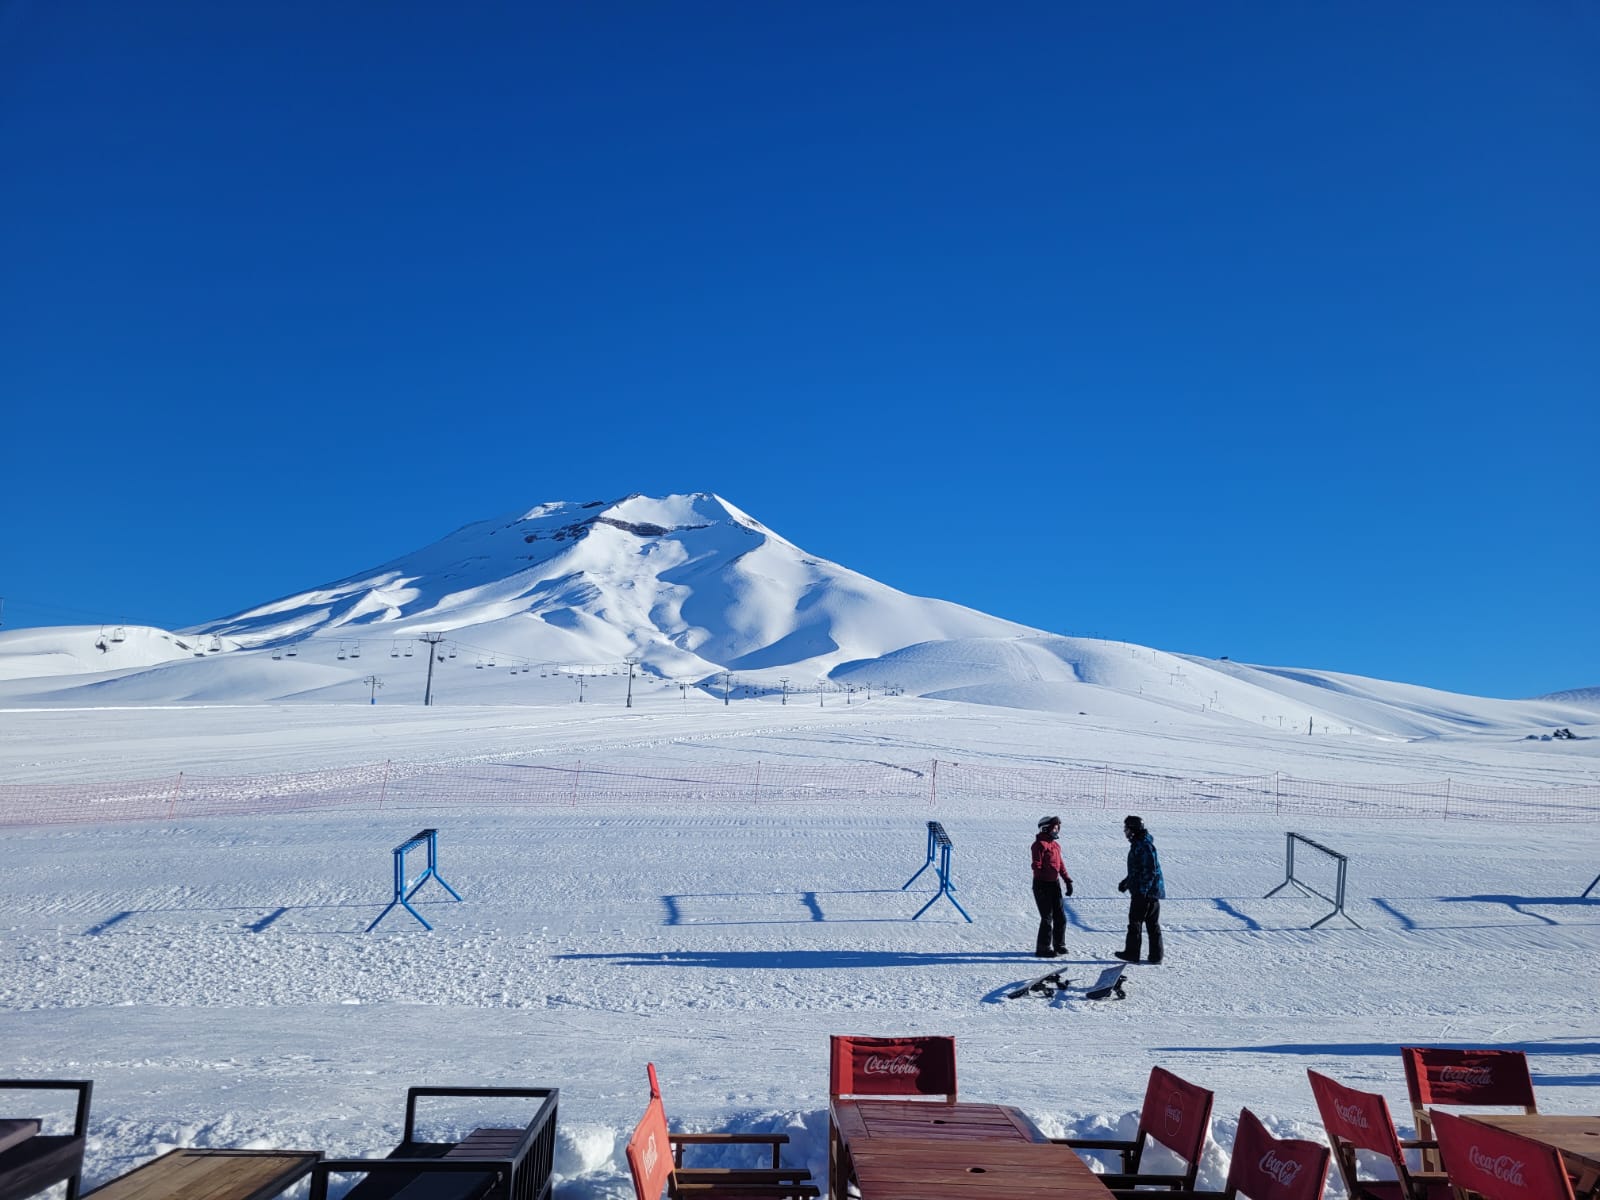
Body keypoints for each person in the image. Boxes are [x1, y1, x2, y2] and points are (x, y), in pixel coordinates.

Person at [1114, 814, 1164, 964]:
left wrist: (1142, 891)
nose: (1125, 832)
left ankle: (1132, 953)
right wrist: (1127, 882)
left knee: (1135, 922)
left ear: (1133, 830)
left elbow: (1150, 871)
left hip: (1145, 893)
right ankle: (1156, 956)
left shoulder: (1143, 845)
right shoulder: (1141, 843)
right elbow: (1138, 870)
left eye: (1127, 829)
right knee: (1151, 924)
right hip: (1150, 892)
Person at [1030, 815, 1074, 958]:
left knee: (1060, 917)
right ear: (1045, 828)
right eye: (1054, 828)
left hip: (1054, 884)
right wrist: (1041, 874)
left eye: (1057, 828)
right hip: (1042, 885)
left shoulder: (1055, 845)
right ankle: (1043, 948)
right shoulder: (1039, 845)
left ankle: (1059, 944)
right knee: (1047, 917)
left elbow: (1060, 864)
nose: (1056, 831)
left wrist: (1067, 880)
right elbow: (1036, 864)